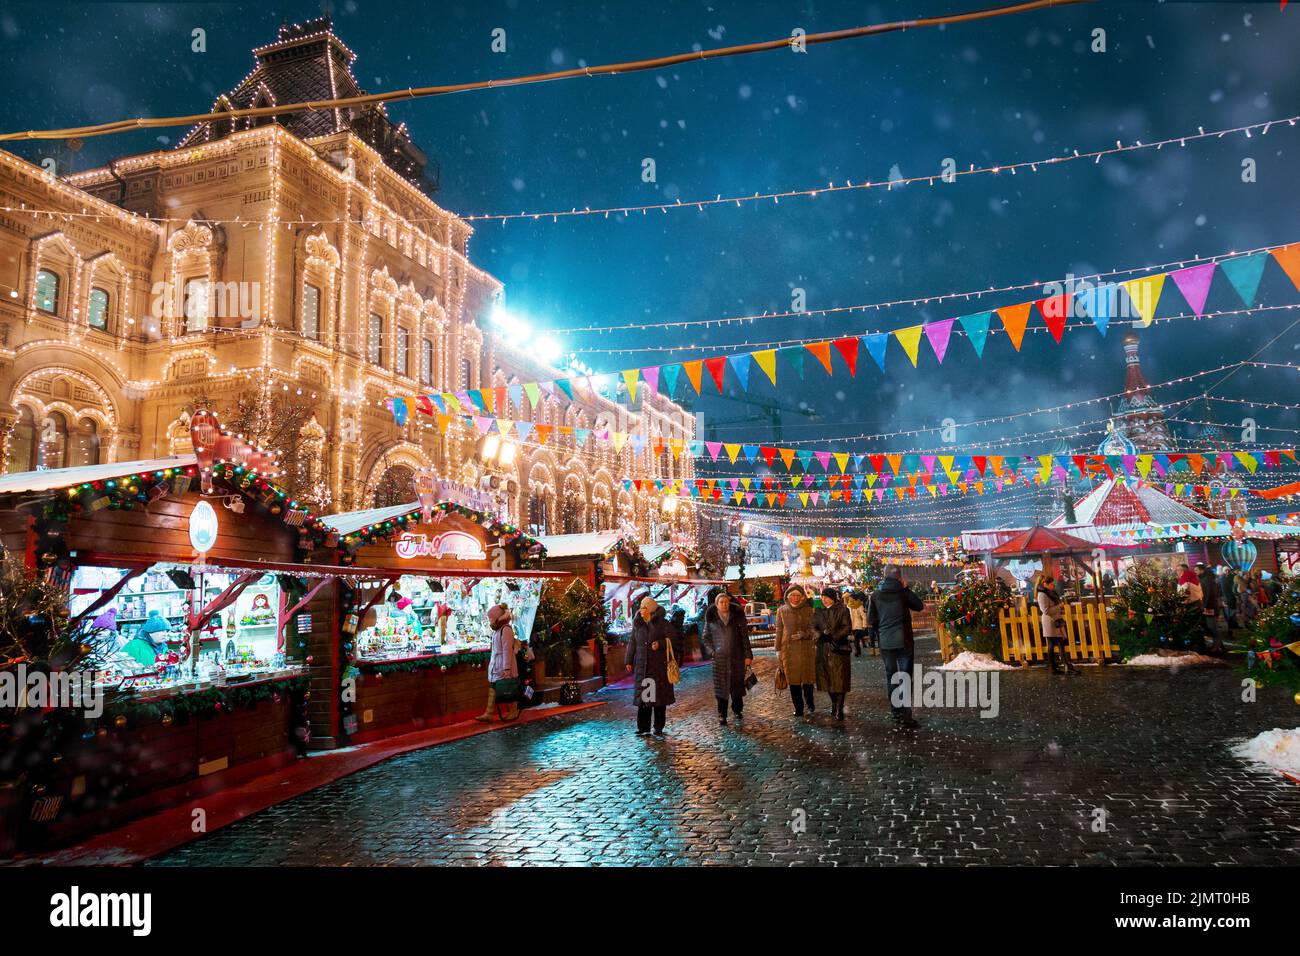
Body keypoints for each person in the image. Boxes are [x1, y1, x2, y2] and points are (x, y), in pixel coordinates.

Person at [869, 566, 926, 727]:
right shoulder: (903, 593)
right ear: (899, 577)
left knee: (891, 677)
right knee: (905, 678)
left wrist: (875, 639)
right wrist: (906, 588)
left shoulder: (875, 595)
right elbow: (919, 606)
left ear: (884, 576)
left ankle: (895, 712)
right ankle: (906, 715)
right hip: (904, 641)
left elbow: (872, 621)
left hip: (886, 643)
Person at [626, 596, 676, 736]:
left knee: (659, 699)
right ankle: (643, 727)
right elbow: (632, 643)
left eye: (643, 608)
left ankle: (658, 726)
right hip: (643, 666)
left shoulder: (663, 624)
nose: (640, 610)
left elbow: (673, 640)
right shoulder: (638, 624)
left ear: (650, 610)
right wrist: (628, 660)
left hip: (658, 666)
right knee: (645, 698)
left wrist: (660, 644)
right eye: (641, 608)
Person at [705, 592, 753, 726]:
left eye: (726, 602)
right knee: (722, 688)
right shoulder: (712, 619)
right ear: (716, 604)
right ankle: (722, 714)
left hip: (736, 658)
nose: (724, 604)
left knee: (736, 686)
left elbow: (744, 638)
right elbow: (705, 637)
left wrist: (748, 656)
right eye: (721, 602)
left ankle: (737, 710)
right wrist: (712, 652)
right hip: (719, 660)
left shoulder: (737, 617)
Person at [774, 584, 817, 717]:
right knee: (793, 682)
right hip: (788, 651)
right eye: (792, 595)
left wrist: (804, 634)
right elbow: (779, 630)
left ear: (803, 597)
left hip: (806, 650)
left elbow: (814, 629)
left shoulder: (809, 610)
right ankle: (798, 708)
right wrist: (777, 649)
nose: (795, 598)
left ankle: (810, 703)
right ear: (788, 596)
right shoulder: (782, 610)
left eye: (798, 595)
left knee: (808, 681)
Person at [477, 603, 521, 722]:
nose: (489, 620)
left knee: (509, 687)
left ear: (497, 618)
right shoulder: (498, 629)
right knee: (494, 687)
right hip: (497, 665)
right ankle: (489, 713)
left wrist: (507, 668)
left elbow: (507, 651)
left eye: (490, 618)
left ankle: (513, 711)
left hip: (504, 666)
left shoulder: (505, 629)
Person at [814, 587, 853, 720]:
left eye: (826, 597)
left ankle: (839, 707)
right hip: (823, 650)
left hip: (838, 649)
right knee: (827, 680)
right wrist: (819, 635)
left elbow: (847, 627)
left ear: (832, 598)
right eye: (822, 597)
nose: (823, 599)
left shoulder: (843, 610)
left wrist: (833, 637)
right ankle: (834, 703)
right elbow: (812, 627)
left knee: (840, 680)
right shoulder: (818, 611)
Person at [1036, 573, 1079, 675]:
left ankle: (1056, 668)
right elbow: (1045, 610)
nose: (1053, 585)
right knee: (1056, 644)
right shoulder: (1042, 594)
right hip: (1050, 622)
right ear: (1045, 584)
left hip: (1055, 621)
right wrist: (1059, 606)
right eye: (1051, 584)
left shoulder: (1049, 593)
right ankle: (1062, 667)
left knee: (1057, 644)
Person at [1196, 562, 1225, 654]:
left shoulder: (1206, 580)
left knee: (1212, 626)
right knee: (1210, 626)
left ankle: (1217, 646)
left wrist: (1204, 606)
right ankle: (1218, 645)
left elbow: (1207, 594)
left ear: (1202, 570)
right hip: (1208, 606)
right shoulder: (1205, 579)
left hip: (1209, 606)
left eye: (1196, 570)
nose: (1195, 572)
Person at [846, 591, 869, 657]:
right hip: (851, 625)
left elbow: (864, 616)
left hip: (858, 625)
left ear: (854, 598)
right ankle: (858, 650)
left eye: (851, 598)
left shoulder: (859, 606)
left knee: (856, 639)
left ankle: (857, 651)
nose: (850, 599)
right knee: (856, 639)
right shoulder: (849, 606)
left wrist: (864, 625)